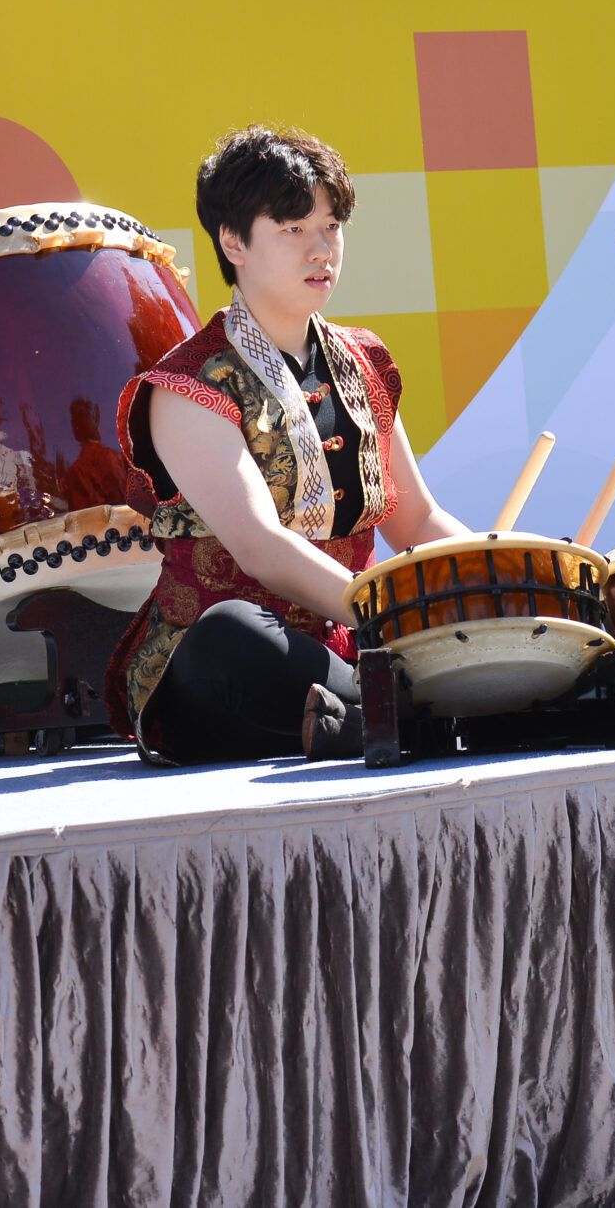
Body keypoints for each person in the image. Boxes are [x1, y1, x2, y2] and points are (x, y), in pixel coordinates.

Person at [105, 127, 467, 763]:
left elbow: (417, 519)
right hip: (246, 659)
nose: (320, 249)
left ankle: (371, 714)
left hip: (354, 646)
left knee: (478, 625)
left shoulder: (363, 362)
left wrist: (512, 577)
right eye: (293, 229)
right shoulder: (188, 385)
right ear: (233, 242)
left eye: (330, 227)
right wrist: (390, 613)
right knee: (228, 638)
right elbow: (260, 547)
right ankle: (411, 710)